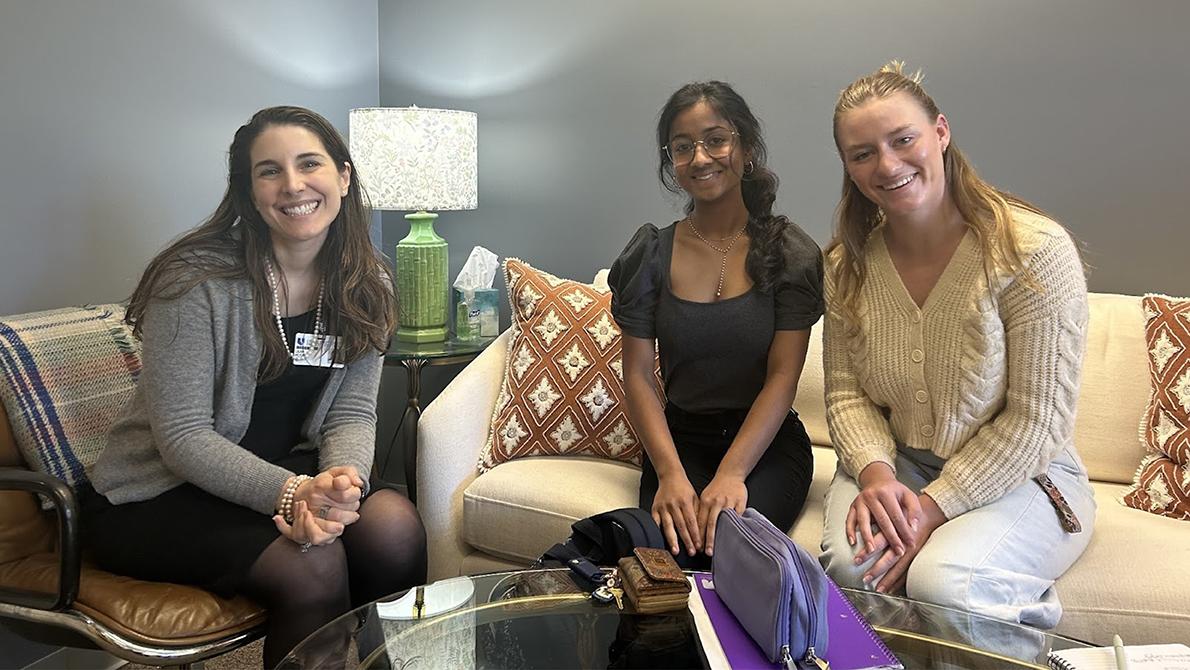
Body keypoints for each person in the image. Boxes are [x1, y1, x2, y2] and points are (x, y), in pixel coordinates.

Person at [82, 106, 427, 667]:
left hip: (288, 472)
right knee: (312, 564)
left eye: (309, 163)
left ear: (343, 177)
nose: (293, 185)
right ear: (249, 191)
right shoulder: (194, 281)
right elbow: (183, 437)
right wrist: (294, 494)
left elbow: (352, 414)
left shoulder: (369, 284)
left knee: (394, 529)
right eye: (270, 171)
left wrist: (341, 486)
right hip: (160, 496)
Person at [819, 62, 1095, 630]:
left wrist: (933, 509)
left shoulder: (1032, 251)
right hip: (895, 465)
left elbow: (1038, 421)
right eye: (863, 153)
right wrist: (876, 476)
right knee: (854, 570)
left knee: (944, 584)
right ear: (848, 166)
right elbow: (847, 396)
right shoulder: (847, 265)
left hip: (1024, 475)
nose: (887, 165)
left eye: (903, 140)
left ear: (940, 132)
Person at [609, 81, 824, 563]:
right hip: (679, 444)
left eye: (716, 140)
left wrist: (732, 474)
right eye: (683, 147)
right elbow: (638, 375)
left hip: (765, 447)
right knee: (664, 558)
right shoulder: (650, 254)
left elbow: (783, 376)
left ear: (745, 148)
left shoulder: (790, 253)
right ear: (671, 161)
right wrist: (669, 474)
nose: (701, 157)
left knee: (731, 550)